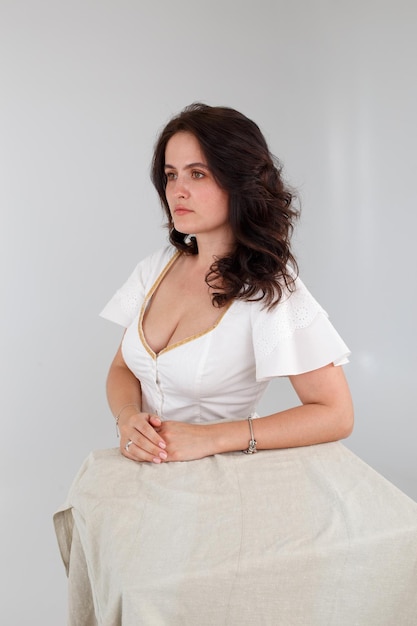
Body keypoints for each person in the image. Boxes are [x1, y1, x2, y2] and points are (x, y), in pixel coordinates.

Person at [54, 103, 417, 626]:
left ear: (239, 181)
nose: (177, 190)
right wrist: (127, 419)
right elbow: (123, 369)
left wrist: (213, 437)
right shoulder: (156, 268)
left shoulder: (270, 292)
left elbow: (336, 413)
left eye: (198, 174)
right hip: (141, 486)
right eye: (171, 175)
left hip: (220, 493)